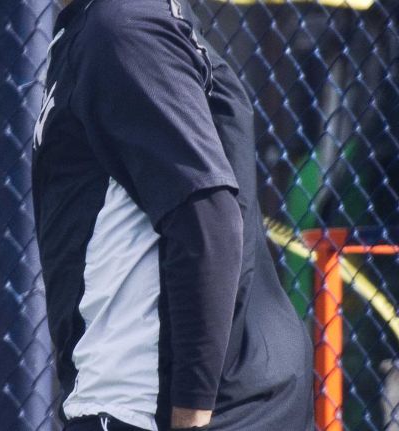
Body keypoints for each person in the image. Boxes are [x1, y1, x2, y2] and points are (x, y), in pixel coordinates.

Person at [30, 0, 315, 429]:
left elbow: (208, 217)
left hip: (142, 407)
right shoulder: (117, 26)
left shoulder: (121, 30)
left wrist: (190, 416)